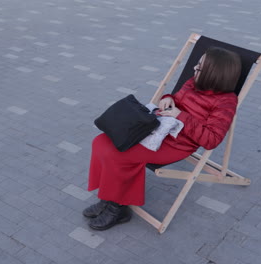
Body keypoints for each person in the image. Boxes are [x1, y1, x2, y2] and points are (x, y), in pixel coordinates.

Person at [83, 47, 242, 230]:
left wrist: (180, 115)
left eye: (199, 68)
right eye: (197, 65)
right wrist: (168, 99)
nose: (194, 69)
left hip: (177, 145)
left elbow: (211, 140)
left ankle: (117, 209)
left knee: (119, 154)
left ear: (214, 74)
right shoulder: (194, 82)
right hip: (161, 129)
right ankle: (108, 197)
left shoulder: (225, 102)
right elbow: (176, 99)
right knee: (101, 141)